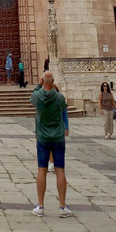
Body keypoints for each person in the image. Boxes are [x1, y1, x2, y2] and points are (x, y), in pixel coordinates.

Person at [30, 71, 71, 218]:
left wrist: (39, 84)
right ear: (53, 81)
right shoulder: (60, 97)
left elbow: (33, 96)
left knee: (42, 170)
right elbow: (63, 110)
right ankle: (62, 206)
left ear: (42, 80)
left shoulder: (36, 96)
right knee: (60, 171)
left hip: (42, 138)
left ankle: (40, 205)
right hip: (58, 138)